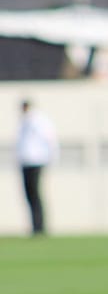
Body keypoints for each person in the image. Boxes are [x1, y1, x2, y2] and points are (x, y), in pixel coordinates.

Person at [16, 99, 58, 236]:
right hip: (26, 161)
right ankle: (35, 227)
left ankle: (40, 227)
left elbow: (49, 138)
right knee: (29, 195)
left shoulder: (38, 120)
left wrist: (51, 157)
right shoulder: (23, 123)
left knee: (35, 194)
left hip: (36, 161)